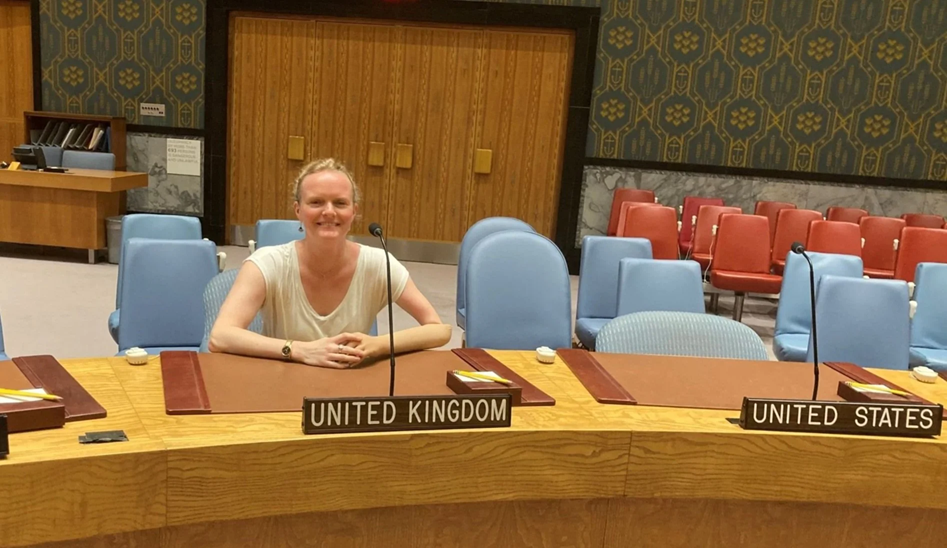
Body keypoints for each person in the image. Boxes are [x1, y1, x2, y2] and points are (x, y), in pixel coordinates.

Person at [209, 158, 451, 368]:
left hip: (350, 388)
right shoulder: (267, 263)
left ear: (354, 211)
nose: (329, 212)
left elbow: (439, 330)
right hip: (282, 380)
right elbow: (220, 336)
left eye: (340, 203)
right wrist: (300, 350)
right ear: (298, 211)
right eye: (316, 202)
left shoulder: (379, 264)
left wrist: (377, 345)